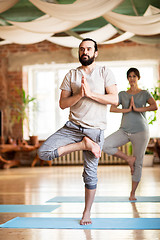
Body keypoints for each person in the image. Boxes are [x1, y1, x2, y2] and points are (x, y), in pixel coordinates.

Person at [38, 38, 118, 225]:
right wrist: (80, 94)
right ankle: (82, 144)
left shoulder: (105, 72)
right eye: (82, 49)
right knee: (43, 153)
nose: (85, 52)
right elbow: (62, 104)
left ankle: (87, 213)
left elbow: (114, 99)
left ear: (95, 53)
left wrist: (90, 94)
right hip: (72, 128)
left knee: (90, 174)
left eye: (89, 49)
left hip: (95, 130)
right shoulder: (71, 75)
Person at [102, 67, 158, 201]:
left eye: (134, 76)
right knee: (105, 145)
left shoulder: (144, 93)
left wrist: (137, 109)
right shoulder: (122, 94)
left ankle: (132, 193)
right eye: (130, 76)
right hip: (124, 130)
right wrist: (127, 110)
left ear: (138, 78)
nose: (132, 78)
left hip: (141, 131)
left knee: (139, 163)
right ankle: (128, 159)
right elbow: (112, 109)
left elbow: (154, 106)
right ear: (127, 78)